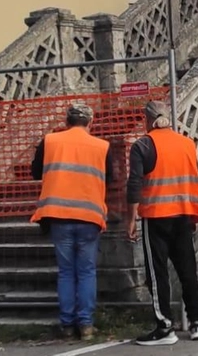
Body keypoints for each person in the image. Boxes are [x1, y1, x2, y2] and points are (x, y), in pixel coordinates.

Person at [126, 101, 198, 346]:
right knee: (188, 271)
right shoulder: (187, 143)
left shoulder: (143, 144)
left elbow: (134, 185)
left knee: (157, 274)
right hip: (184, 214)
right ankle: (197, 323)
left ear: (147, 120)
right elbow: (194, 176)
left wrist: (130, 220)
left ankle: (164, 327)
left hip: (156, 216)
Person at [31, 103, 115, 341]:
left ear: (66, 122)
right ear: (91, 123)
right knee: (87, 271)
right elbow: (111, 177)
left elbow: (35, 172)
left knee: (66, 272)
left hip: (58, 215)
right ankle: (86, 325)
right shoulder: (102, 146)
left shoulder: (50, 141)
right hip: (89, 217)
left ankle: (67, 325)